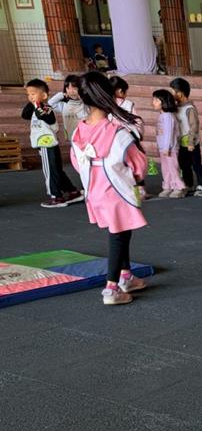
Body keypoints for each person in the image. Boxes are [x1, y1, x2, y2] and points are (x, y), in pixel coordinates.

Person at [69, 72, 148, 306]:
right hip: (116, 191)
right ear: (109, 95)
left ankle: (126, 276)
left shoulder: (78, 131)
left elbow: (76, 162)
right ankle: (111, 288)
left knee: (120, 231)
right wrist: (135, 178)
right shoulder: (117, 132)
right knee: (118, 236)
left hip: (94, 190)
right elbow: (139, 164)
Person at [22, 79, 82, 209]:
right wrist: (33, 102)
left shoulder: (46, 108)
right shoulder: (35, 108)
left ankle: (56, 197)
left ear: (44, 95)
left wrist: (38, 104)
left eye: (33, 93)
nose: (30, 96)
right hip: (47, 145)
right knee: (56, 171)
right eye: (28, 94)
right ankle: (72, 192)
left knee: (49, 172)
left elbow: (44, 116)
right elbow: (24, 115)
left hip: (47, 145)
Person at [170, 77, 202, 197]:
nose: (172, 94)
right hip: (181, 142)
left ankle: (201, 185)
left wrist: (191, 141)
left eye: (173, 91)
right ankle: (189, 184)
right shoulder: (176, 108)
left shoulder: (189, 109)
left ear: (180, 93)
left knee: (196, 164)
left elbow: (194, 126)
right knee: (184, 165)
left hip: (191, 143)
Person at [151, 90, 186, 199]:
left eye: (156, 100)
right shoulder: (162, 115)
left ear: (164, 102)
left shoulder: (168, 116)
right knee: (165, 168)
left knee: (173, 168)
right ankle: (168, 185)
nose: (153, 102)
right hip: (163, 148)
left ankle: (179, 187)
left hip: (170, 149)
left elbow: (169, 133)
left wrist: (167, 147)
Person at [48, 75, 87, 140]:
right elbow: (50, 103)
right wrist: (61, 94)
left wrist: (83, 98)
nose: (71, 91)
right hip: (71, 136)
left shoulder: (85, 104)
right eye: (68, 88)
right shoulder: (64, 105)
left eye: (74, 89)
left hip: (84, 136)